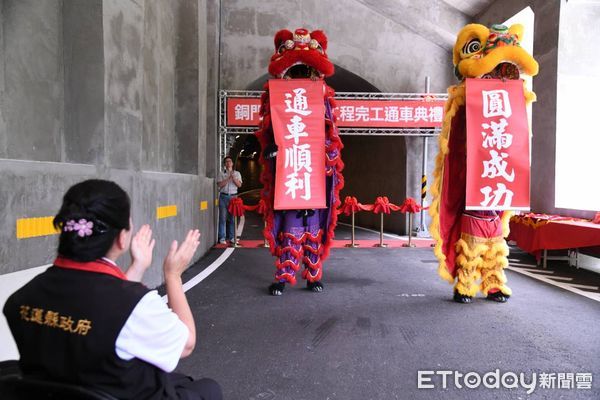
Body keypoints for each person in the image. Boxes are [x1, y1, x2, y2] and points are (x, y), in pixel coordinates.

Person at [3, 179, 222, 400]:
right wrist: (173, 275)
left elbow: (101, 310)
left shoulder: (20, 300)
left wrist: (137, 268)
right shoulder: (136, 305)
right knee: (208, 389)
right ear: (121, 238)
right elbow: (186, 344)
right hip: (124, 391)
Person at [216, 156, 242, 245]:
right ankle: (222, 237)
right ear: (224, 164)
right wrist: (228, 178)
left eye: (230, 161)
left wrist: (233, 178)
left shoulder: (237, 173)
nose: (228, 163)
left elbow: (239, 185)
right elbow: (219, 185)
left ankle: (231, 237)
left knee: (232, 218)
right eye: (226, 162)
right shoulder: (221, 173)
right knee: (222, 218)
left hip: (233, 198)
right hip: (223, 197)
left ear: (232, 163)